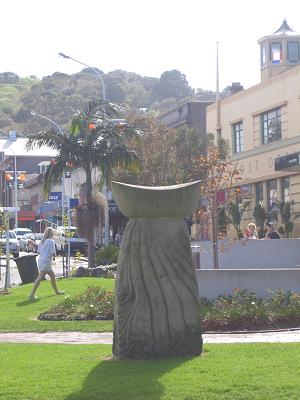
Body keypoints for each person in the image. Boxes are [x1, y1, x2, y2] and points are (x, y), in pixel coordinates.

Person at [29, 227, 64, 300]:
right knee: (40, 277)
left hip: (41, 260)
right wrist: (56, 256)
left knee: (52, 276)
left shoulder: (42, 241)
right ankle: (32, 294)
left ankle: (56, 292)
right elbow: (53, 253)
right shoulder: (51, 241)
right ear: (52, 233)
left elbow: (38, 251)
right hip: (46, 261)